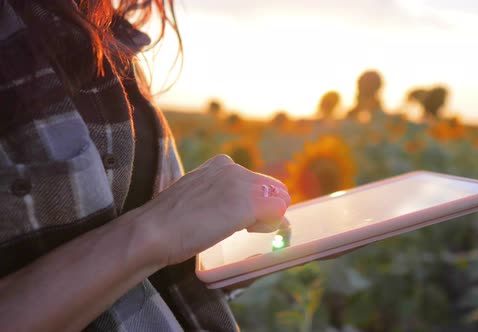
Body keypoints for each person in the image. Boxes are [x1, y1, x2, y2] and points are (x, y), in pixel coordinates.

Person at [0, 1, 291, 331]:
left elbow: (160, 277)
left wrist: (244, 252)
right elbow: (161, 234)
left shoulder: (107, 32)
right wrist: (155, 229)